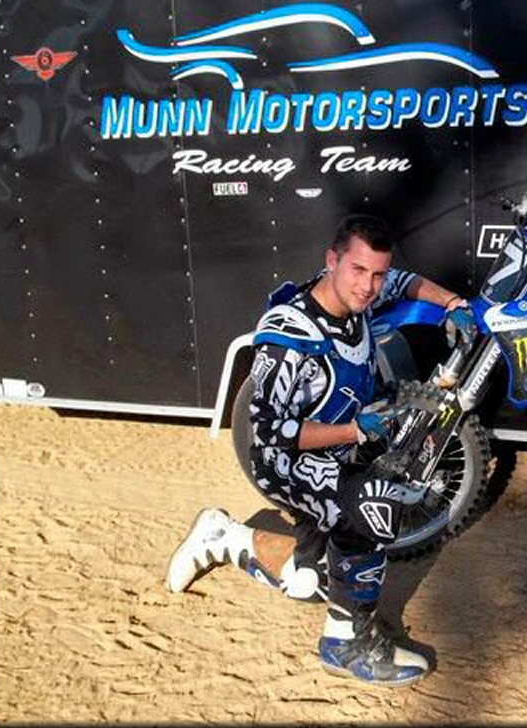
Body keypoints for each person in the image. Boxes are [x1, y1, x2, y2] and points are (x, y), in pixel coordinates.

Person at [165, 213, 474, 686]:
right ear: (332, 260)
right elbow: (267, 431)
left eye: (377, 274)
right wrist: (356, 431)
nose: (370, 287)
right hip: (284, 461)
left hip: (335, 451)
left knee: (309, 580)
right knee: (373, 503)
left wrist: (451, 302)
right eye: (358, 271)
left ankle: (223, 538)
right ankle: (345, 643)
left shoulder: (360, 295)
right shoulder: (290, 338)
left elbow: (406, 283)